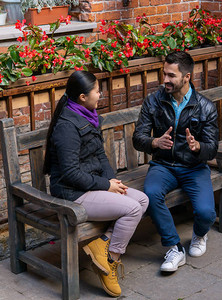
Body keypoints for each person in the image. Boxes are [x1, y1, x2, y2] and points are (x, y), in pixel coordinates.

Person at [44, 70, 149, 297]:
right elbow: (71, 173)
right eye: (97, 91)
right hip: (72, 193)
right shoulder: (67, 127)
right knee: (132, 208)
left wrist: (112, 180)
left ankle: (102, 248)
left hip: (92, 184)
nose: (100, 94)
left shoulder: (87, 116)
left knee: (142, 199)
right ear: (82, 97)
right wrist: (105, 185)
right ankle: (111, 261)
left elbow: (100, 156)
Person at [132, 51, 218, 273]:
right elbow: (138, 139)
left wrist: (198, 147)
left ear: (186, 77)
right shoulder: (153, 102)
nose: (165, 80)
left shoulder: (206, 107)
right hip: (164, 166)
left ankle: (199, 235)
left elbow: (212, 148)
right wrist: (154, 142)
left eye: (171, 76)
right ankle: (174, 247)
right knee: (151, 195)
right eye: (164, 74)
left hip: (194, 167)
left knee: (207, 213)